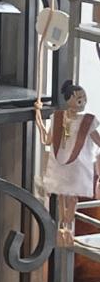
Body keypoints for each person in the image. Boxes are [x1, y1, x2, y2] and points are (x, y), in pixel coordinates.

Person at [43, 81, 100, 247]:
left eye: (84, 98)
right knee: (63, 195)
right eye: (79, 98)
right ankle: (64, 227)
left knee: (71, 196)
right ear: (69, 100)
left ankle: (66, 227)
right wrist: (40, 123)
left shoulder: (87, 121)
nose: (83, 101)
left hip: (76, 165)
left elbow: (97, 140)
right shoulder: (59, 118)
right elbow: (48, 140)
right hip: (64, 164)